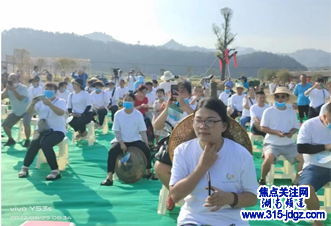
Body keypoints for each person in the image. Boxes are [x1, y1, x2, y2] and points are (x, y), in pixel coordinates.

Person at [170, 98, 258, 226]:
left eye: (210, 121)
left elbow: (252, 198)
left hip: (231, 220)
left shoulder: (241, 154)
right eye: (198, 120)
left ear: (224, 126)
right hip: (194, 218)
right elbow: (175, 196)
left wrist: (229, 198)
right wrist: (201, 167)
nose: (203, 126)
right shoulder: (183, 151)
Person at [153, 81, 195, 211]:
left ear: (189, 94)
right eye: (177, 92)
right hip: (173, 146)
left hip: (194, 146)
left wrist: (185, 106)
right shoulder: (172, 109)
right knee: (159, 167)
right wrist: (167, 108)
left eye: (183, 92)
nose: (180, 95)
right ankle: (173, 192)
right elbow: (157, 127)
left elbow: (199, 120)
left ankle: (194, 195)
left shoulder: (197, 105)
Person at [101, 93, 157, 186]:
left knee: (146, 150)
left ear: (134, 102)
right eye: (125, 100)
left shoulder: (138, 114)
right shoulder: (118, 114)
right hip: (121, 140)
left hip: (135, 140)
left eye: (129, 100)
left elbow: (142, 131)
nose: (127, 102)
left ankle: (148, 172)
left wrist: (146, 143)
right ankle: (109, 177)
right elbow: (116, 131)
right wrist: (121, 143)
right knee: (112, 152)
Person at [18, 83, 66, 180]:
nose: (48, 91)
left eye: (50, 89)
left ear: (55, 91)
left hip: (57, 130)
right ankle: (25, 167)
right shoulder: (40, 102)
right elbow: (30, 112)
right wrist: (32, 103)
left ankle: (55, 170)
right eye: (46, 89)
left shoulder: (61, 101)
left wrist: (50, 104)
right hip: (42, 129)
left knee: (45, 143)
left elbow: (60, 113)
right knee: (34, 143)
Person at [259, 87, 303, 185]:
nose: (280, 99)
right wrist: (276, 133)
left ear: (287, 98)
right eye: (277, 96)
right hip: (271, 143)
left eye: (283, 96)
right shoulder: (268, 111)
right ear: (274, 98)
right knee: (268, 158)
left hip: (288, 144)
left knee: (303, 159)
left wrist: (291, 133)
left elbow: (295, 127)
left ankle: (296, 181)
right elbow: (262, 128)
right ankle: (262, 180)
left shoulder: (291, 112)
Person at [297, 102, 331, 226]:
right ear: (324, 116)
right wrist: (326, 147)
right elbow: (301, 148)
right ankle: (317, 220)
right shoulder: (309, 125)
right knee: (305, 189)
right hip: (315, 166)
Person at [1, 73, 31, 147]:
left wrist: (13, 90)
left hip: (26, 110)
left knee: (26, 124)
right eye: (10, 79)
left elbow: (21, 99)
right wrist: (6, 89)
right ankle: (11, 139)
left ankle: (27, 140)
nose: (12, 81)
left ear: (18, 80)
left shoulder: (23, 88)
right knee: (5, 125)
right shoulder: (8, 88)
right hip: (16, 111)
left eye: (14, 79)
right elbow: (2, 97)